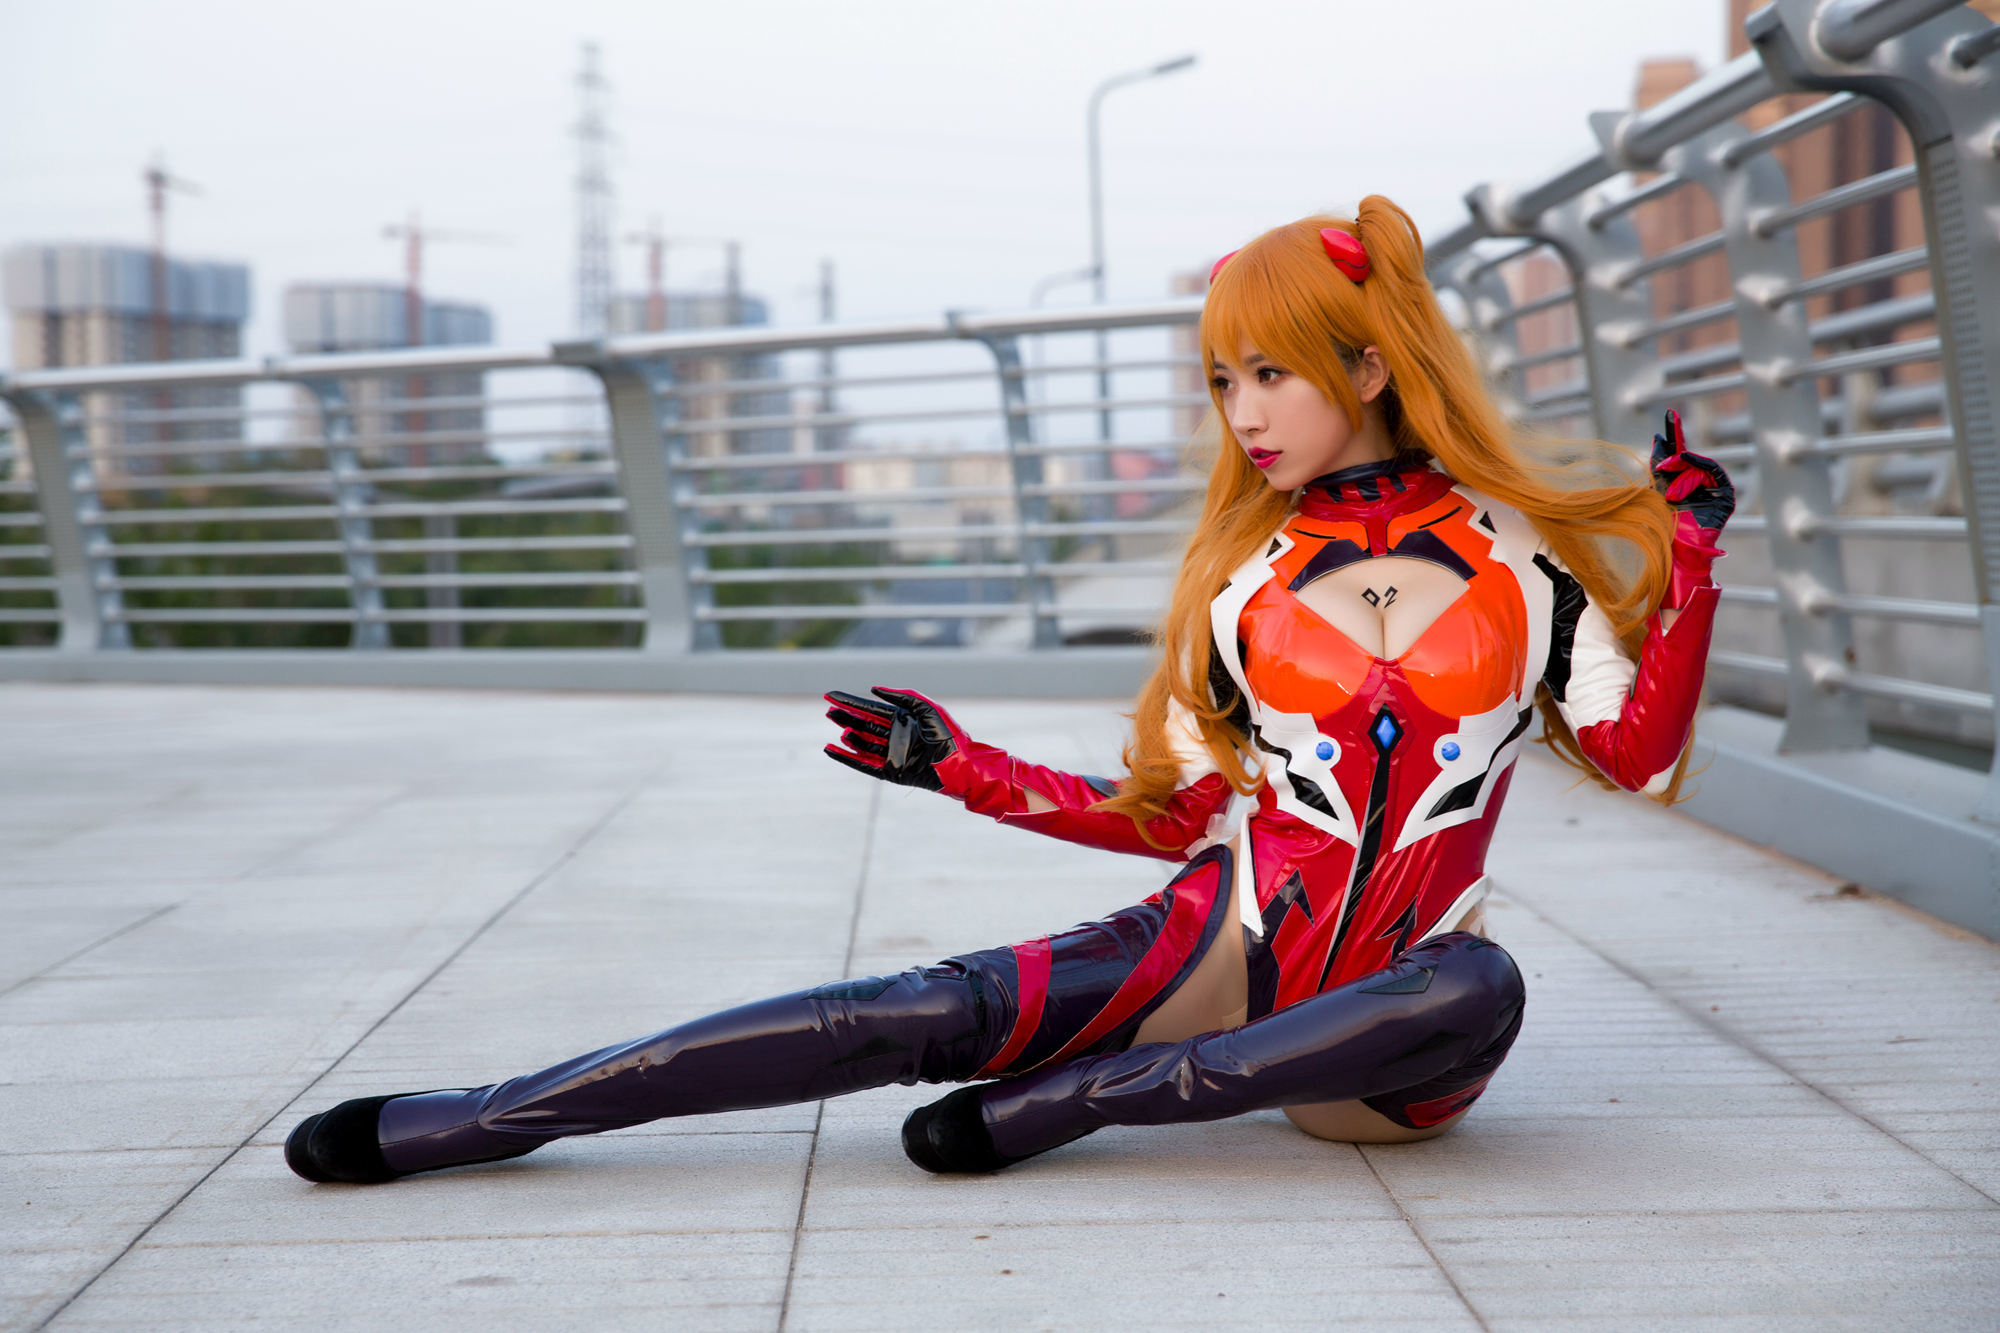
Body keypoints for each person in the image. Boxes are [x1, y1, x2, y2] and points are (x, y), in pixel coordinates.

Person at [284, 198, 1732, 1184]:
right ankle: (483, 1118)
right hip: (1221, 948)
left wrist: (1693, 567)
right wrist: (959, 766)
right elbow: (1167, 818)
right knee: (904, 1007)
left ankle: (1074, 1101)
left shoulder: (1525, 562)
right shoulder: (1236, 582)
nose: (1241, 414)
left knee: (1484, 981)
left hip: (1395, 1045)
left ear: (1364, 365)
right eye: (1220, 381)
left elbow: (1637, 755)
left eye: (1267, 375)